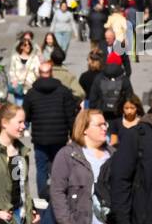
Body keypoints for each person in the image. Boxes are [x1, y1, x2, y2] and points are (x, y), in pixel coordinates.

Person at [23, 56, 79, 196]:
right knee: (59, 166)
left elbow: (26, 116)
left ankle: (43, 195)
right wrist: (73, 134)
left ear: (39, 74)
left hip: (40, 139)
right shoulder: (64, 92)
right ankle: (59, 193)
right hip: (60, 138)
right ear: (51, 73)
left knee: (41, 168)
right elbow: (70, 115)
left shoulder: (31, 93)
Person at [88, 55, 132, 140]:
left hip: (102, 115)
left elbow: (92, 99)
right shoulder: (124, 79)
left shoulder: (99, 78)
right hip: (119, 115)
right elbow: (130, 98)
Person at [8, 35, 39, 103]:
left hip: (31, 87)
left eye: (29, 45)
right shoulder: (15, 58)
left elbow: (37, 72)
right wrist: (14, 80)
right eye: (25, 45)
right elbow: (11, 71)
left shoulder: (34, 58)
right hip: (19, 88)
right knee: (20, 107)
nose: (28, 46)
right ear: (21, 47)